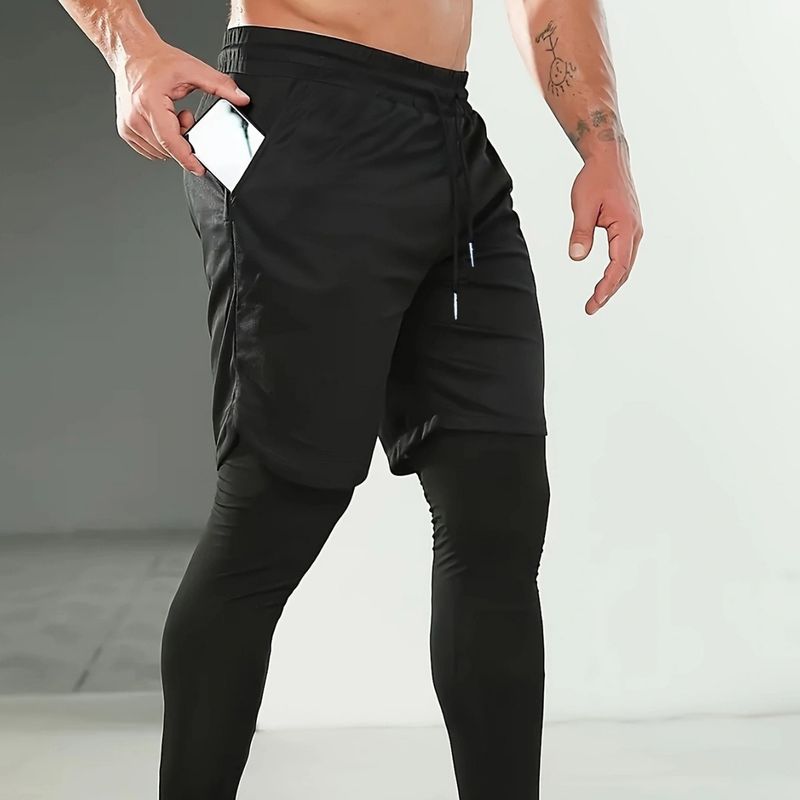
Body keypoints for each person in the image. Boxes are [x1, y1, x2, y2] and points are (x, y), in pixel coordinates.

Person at [58, 0, 643, 797]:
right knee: (271, 515)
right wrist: (129, 48)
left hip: (448, 140)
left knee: (496, 510)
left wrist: (603, 145)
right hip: (294, 118)